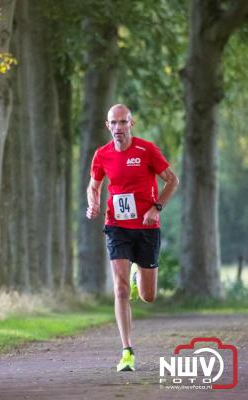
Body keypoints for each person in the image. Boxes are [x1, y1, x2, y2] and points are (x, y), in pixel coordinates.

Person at [86, 104, 179, 372]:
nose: (118, 128)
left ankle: (141, 275)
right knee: (121, 288)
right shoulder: (102, 155)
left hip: (147, 227)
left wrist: (156, 207)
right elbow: (94, 185)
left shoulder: (146, 150)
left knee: (148, 296)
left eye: (122, 122)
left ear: (131, 123)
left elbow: (172, 180)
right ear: (108, 126)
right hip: (116, 225)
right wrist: (93, 203)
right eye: (113, 123)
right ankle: (127, 350)